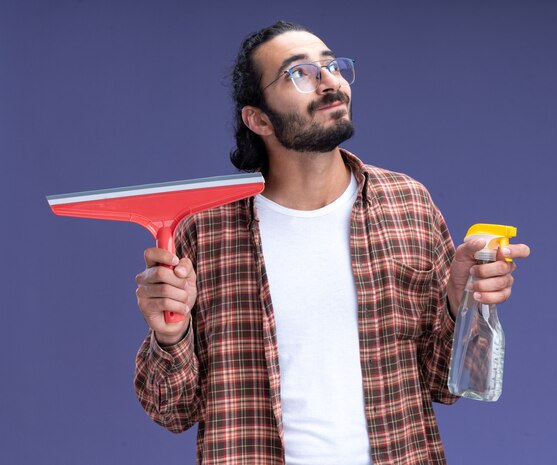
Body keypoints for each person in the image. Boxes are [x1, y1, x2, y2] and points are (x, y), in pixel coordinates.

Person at [134, 20, 530, 465]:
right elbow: (172, 411)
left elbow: (446, 385)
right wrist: (171, 335)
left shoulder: (409, 205)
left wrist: (460, 304)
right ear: (258, 118)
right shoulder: (205, 230)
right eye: (298, 73)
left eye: (332, 65)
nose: (328, 81)